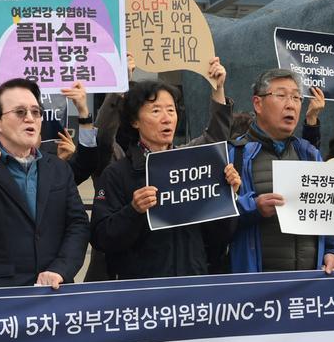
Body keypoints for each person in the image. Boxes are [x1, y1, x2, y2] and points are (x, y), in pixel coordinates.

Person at [90, 79, 241, 279]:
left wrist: (227, 195)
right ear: (135, 121)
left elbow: (220, 236)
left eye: (171, 111)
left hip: (193, 286)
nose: (166, 118)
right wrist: (133, 211)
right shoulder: (118, 173)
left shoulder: (193, 169)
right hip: (141, 292)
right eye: (156, 111)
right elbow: (101, 238)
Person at [0, 78, 89, 289]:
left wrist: (60, 269)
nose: (30, 119)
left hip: (52, 292)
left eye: (36, 112)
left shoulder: (58, 168)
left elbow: (78, 225)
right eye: (20, 112)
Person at [228, 68, 334, 274]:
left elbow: (326, 211)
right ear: (258, 104)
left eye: (297, 97)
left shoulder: (309, 154)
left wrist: (331, 251)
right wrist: (253, 208)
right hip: (258, 287)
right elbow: (216, 221)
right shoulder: (235, 155)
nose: (291, 104)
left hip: (307, 285)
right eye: (281, 96)